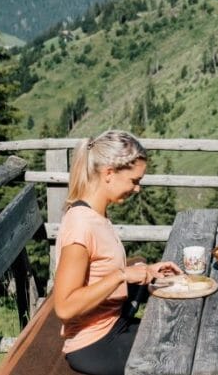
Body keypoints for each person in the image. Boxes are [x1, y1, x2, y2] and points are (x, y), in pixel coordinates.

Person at [53, 130, 182, 375]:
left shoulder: (96, 216)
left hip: (114, 326)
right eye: (134, 180)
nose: (137, 189)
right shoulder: (81, 225)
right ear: (109, 173)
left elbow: (102, 272)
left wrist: (147, 272)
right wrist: (122, 275)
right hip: (93, 344)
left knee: (181, 339)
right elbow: (65, 307)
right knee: (177, 360)